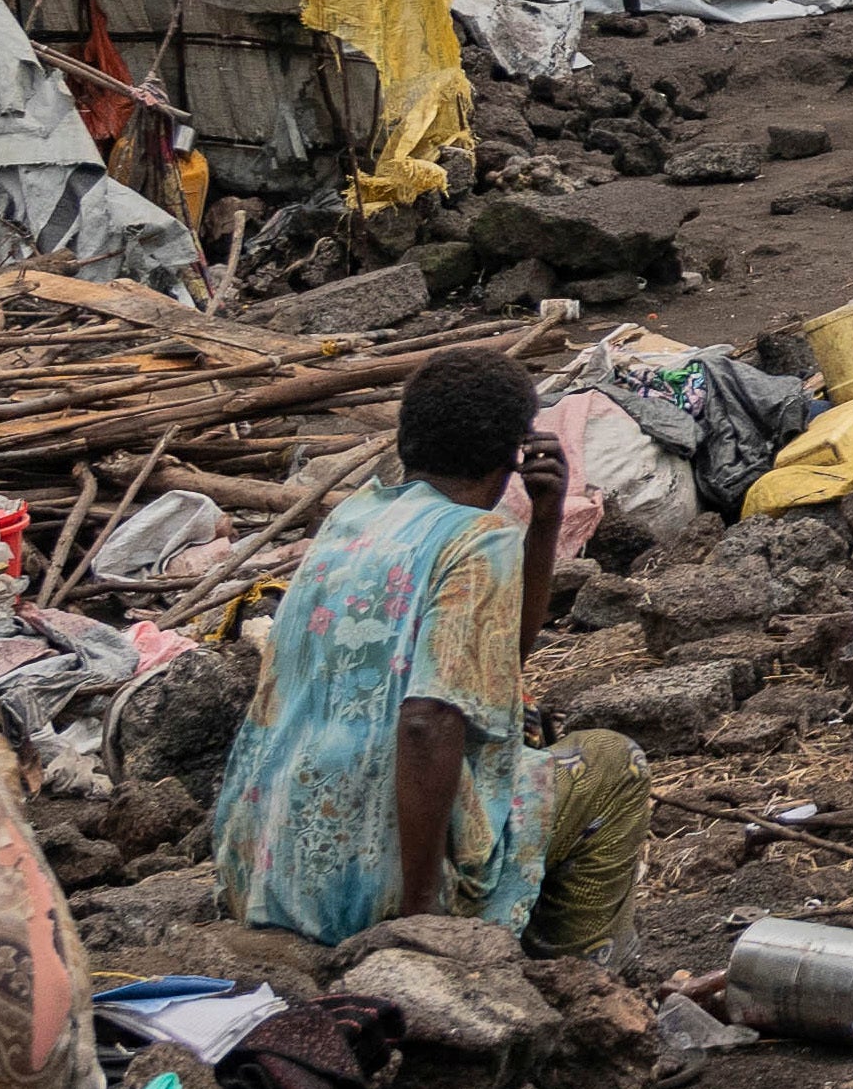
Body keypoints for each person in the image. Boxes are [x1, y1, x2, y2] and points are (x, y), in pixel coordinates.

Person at [210, 348, 648, 955]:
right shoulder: (478, 540)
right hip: (378, 890)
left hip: (267, 870)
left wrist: (545, 527)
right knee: (611, 763)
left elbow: (494, 659)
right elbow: (427, 721)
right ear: (513, 452)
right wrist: (416, 920)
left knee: (521, 730)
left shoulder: (351, 520)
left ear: (407, 436)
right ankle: (570, 979)